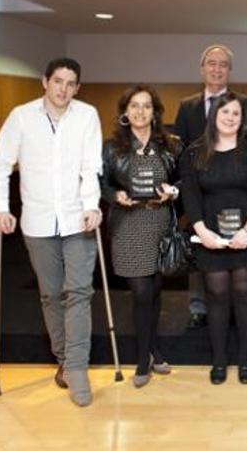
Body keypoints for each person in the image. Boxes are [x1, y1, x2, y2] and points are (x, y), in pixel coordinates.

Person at [0, 57, 102, 407]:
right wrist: (1, 209)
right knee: (52, 295)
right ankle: (64, 360)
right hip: (37, 222)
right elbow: (0, 165)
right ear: (45, 82)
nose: (63, 89)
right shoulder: (21, 117)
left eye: (70, 83)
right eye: (58, 81)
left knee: (80, 291)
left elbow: (90, 167)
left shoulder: (87, 115)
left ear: (78, 87)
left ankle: (77, 368)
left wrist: (92, 205)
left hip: (78, 219)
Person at [179, 92, 247, 385]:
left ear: (242, 118)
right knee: (216, 299)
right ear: (213, 116)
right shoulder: (194, 152)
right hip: (210, 238)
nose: (231, 117)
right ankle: (219, 360)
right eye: (225, 112)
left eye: (236, 113)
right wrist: (202, 232)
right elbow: (190, 195)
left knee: (245, 297)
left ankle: (245, 359)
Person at [100, 85, 182, 388]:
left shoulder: (170, 144)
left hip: (159, 221)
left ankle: (153, 348)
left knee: (156, 289)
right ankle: (143, 358)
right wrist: (114, 195)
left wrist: (173, 191)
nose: (140, 111)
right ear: (125, 112)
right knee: (141, 292)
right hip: (128, 224)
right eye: (134, 106)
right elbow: (101, 183)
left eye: (146, 106)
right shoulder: (112, 147)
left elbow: (182, 180)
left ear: (155, 112)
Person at [175, 44, 247, 331]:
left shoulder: (245, 102)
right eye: (211, 63)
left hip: (236, 188)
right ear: (202, 68)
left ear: (229, 70)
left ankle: (235, 310)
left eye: (223, 64)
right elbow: (181, 148)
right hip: (203, 191)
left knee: (237, 259)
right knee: (204, 252)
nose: (217, 68)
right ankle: (198, 308)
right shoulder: (188, 106)